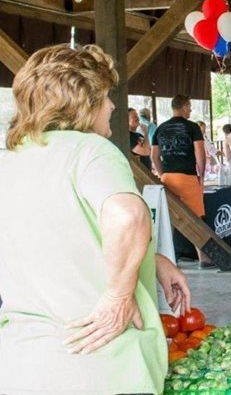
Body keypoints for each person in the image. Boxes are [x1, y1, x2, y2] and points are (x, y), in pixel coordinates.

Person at [0, 44, 190, 394]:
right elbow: (127, 216)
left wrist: (151, 258)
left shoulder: (12, 158)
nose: (113, 107)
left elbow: (59, 237)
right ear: (83, 103)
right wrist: (119, 295)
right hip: (98, 366)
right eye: (104, 96)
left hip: (23, 366)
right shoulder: (90, 150)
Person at [151, 95, 211, 268]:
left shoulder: (160, 128)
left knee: (169, 217)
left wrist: (163, 174)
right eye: (190, 107)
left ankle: (168, 257)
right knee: (196, 217)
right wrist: (201, 174)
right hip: (188, 177)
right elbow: (200, 153)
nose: (191, 110)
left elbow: (154, 156)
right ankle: (203, 259)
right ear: (184, 106)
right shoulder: (192, 127)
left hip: (168, 177)